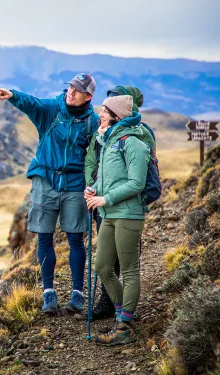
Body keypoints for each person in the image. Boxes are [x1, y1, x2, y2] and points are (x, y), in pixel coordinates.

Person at [0, 74, 100, 314]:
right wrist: (13, 96)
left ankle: (77, 294)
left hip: (75, 183)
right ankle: (48, 294)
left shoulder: (92, 122)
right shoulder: (53, 109)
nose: (71, 93)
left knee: (75, 238)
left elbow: (96, 155)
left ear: (89, 97)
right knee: (44, 237)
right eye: (70, 88)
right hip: (46, 180)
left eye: (77, 91)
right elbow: (32, 103)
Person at [84, 95, 150, 346]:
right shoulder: (110, 142)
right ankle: (124, 313)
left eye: (104, 110)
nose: (100, 114)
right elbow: (105, 179)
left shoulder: (133, 143)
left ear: (116, 116)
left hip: (128, 214)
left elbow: (136, 183)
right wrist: (92, 189)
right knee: (102, 266)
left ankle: (124, 325)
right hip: (109, 213)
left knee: (130, 269)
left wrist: (105, 199)